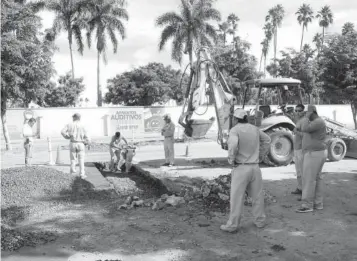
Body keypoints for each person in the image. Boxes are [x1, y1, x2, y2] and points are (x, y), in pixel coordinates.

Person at [220, 108, 271, 233]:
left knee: (237, 198)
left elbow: (233, 145)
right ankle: (260, 221)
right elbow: (267, 140)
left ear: (236, 119)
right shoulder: (254, 129)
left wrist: (231, 159)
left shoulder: (235, 130)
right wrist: (261, 155)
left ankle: (232, 225)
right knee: (257, 196)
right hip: (255, 167)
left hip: (241, 167)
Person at [295, 105, 327, 213]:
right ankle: (318, 203)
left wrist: (306, 117)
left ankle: (307, 205)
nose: (304, 114)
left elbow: (304, 128)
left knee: (309, 179)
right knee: (316, 179)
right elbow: (304, 132)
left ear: (312, 112)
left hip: (314, 153)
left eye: (306, 112)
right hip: (315, 152)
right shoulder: (315, 122)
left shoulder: (317, 122)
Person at [61, 113, 90, 179]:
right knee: (81, 160)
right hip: (81, 143)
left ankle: (72, 173)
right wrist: (88, 143)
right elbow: (87, 135)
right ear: (79, 118)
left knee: (73, 159)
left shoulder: (69, 124)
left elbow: (62, 132)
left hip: (73, 143)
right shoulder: (83, 125)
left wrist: (67, 137)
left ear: (74, 117)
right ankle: (82, 174)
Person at [291, 104, 306, 196]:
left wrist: (296, 132)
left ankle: (305, 191)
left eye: (299, 111)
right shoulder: (297, 120)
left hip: (301, 148)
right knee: (298, 170)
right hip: (296, 148)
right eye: (296, 110)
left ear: (303, 111)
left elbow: (306, 135)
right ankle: (300, 188)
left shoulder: (305, 121)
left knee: (302, 170)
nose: (297, 112)